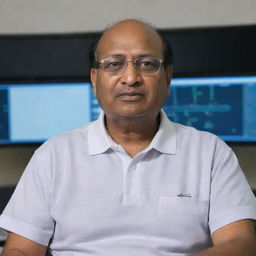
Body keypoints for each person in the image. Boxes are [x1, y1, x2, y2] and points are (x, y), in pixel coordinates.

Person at [0, 19, 256, 256]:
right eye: (114, 64)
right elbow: (20, 250)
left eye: (147, 64)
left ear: (167, 77)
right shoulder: (54, 155)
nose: (131, 78)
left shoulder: (210, 152)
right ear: (94, 78)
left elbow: (240, 244)